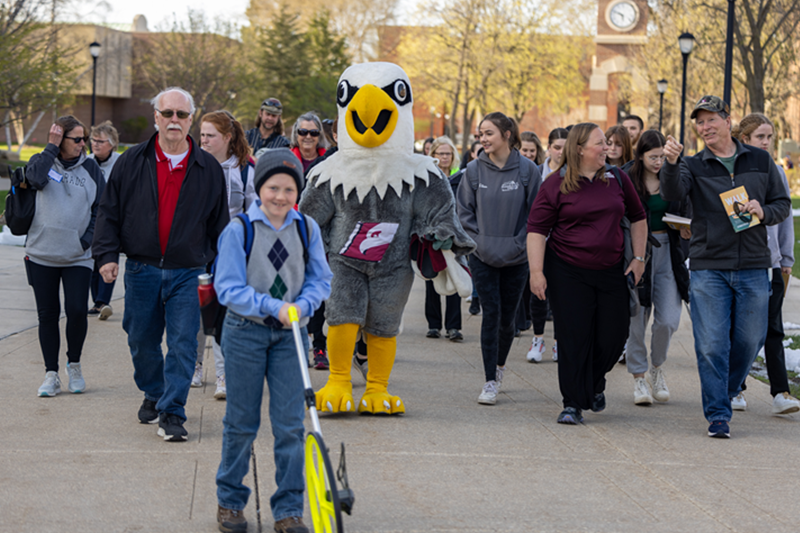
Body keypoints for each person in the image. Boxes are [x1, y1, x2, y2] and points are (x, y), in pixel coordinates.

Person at [93, 87, 229, 442]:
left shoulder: (208, 168)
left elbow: (220, 226)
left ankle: (172, 411)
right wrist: (106, 256)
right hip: (142, 269)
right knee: (140, 339)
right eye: (167, 113)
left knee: (184, 343)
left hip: (187, 271)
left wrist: (216, 267)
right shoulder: (132, 161)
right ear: (156, 116)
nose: (174, 121)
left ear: (190, 120)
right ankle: (154, 391)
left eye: (181, 115)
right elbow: (108, 212)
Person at [214, 148, 332, 533]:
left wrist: (305, 303)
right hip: (245, 333)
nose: (280, 197)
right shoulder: (240, 230)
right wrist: (271, 306)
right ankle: (230, 502)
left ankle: (289, 509)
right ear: (259, 188)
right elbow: (227, 288)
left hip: (290, 337)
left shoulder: (306, 228)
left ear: (298, 191)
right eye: (272, 188)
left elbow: (320, 278)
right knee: (241, 422)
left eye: (288, 189)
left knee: (290, 426)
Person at [660, 95, 791, 438]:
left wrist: (763, 211)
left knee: (750, 340)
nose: (705, 127)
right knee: (711, 345)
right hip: (708, 267)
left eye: (711, 120)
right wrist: (671, 163)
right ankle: (718, 413)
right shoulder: (692, 164)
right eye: (699, 122)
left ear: (727, 121)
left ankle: (727, 389)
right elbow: (672, 191)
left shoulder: (761, 161)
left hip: (752, 265)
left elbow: (782, 204)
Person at [527, 123, 647, 424]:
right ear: (579, 149)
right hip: (567, 271)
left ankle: (594, 383)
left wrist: (639, 258)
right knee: (573, 337)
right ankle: (572, 403)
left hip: (611, 271)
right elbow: (537, 231)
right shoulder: (555, 184)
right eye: (600, 143)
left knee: (613, 335)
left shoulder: (618, 179)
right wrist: (536, 271)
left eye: (606, 143)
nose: (606, 148)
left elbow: (638, 217)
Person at [457, 112, 542, 405]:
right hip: (482, 256)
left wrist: (522, 244)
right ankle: (489, 380)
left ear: (507, 134)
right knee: (491, 314)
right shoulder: (473, 170)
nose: (483, 139)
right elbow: (464, 213)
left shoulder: (528, 171)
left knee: (508, 320)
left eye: (489, 133)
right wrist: (477, 242)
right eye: (481, 134)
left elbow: (536, 215)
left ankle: (500, 366)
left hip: (517, 257)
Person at [25, 116, 105, 397]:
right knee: (47, 315)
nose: (84, 144)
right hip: (41, 253)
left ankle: (74, 364)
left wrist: (86, 241)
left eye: (85, 139)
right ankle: (50, 374)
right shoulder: (42, 161)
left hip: (78, 257)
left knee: (75, 311)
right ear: (60, 140)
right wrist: (50, 148)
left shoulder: (91, 169)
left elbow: (101, 208)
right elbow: (33, 179)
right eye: (77, 139)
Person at [732, 112, 800, 415]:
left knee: (773, 329)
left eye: (770, 137)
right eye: (761, 137)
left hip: (770, 263)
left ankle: (781, 392)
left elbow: (784, 218)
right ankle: (736, 388)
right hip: (737, 264)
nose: (767, 142)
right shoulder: (732, 168)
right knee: (739, 329)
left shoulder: (776, 172)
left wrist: (786, 259)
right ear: (745, 139)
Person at [625, 130, 690, 405]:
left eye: (662, 157)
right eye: (653, 157)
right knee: (636, 319)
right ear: (640, 156)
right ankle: (639, 378)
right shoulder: (627, 178)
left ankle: (657, 368)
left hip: (669, 251)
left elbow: (689, 208)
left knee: (667, 320)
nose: (658, 162)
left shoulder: (675, 175)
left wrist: (688, 229)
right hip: (637, 252)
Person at [195, 110, 257, 399]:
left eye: (210, 136)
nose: (203, 140)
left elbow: (254, 214)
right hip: (195, 249)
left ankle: (223, 374)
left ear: (227, 138)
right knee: (192, 311)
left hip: (231, 252)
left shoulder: (245, 170)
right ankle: (194, 366)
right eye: (202, 135)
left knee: (222, 312)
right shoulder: (194, 165)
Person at [425, 136, 464, 341]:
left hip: (455, 236)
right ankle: (433, 325)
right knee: (432, 279)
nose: (445, 157)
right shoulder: (427, 178)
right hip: (432, 236)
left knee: (455, 280)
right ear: (434, 155)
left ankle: (454, 327)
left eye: (448, 154)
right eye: (441, 153)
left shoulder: (461, 178)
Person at [87, 120, 121, 320]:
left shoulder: (120, 162)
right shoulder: (87, 162)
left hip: (112, 219)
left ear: (112, 143)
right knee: (93, 261)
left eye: (100, 141)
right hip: (92, 219)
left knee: (108, 258)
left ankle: (102, 301)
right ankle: (98, 302)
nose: (96, 144)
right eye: (93, 140)